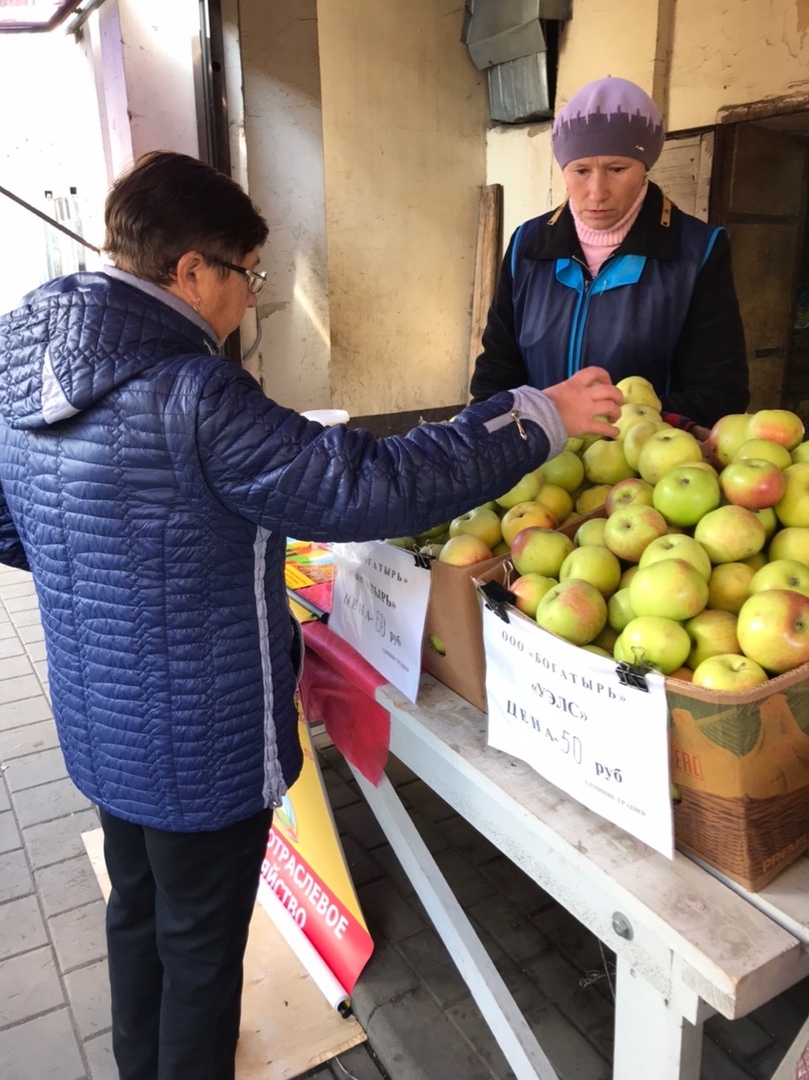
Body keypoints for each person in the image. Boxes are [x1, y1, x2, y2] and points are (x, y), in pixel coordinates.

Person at [0, 150, 622, 1080]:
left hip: (101, 720)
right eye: (247, 276)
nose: (249, 300)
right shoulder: (193, 393)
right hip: (200, 739)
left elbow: (15, 529)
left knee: (137, 911)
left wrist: (129, 558)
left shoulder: (19, 367)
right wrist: (536, 414)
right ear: (191, 270)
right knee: (202, 945)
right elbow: (370, 487)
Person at [470, 75, 750, 438]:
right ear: (564, 169)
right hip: (540, 463)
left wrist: (616, 424)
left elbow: (720, 392)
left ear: (645, 166)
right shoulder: (529, 245)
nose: (597, 192)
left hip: (646, 468)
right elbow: (496, 371)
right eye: (581, 171)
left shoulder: (698, 251)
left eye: (617, 169)